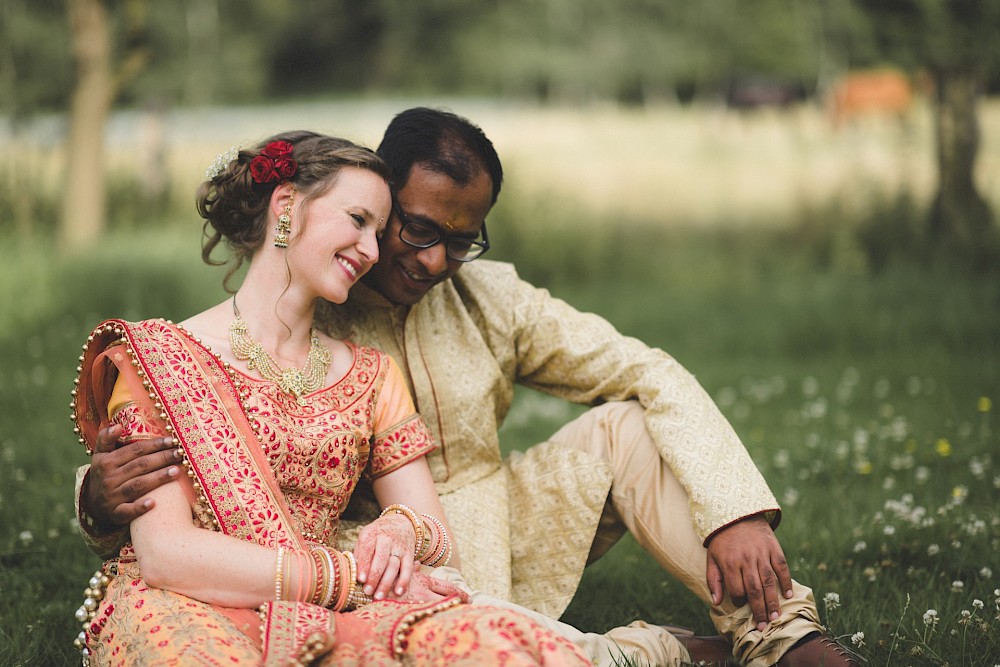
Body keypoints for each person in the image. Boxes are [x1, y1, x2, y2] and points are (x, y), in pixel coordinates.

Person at [77, 110, 858, 667]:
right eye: (414, 230)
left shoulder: (490, 297)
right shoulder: (316, 298)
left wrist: (734, 512)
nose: (433, 261)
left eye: (463, 238)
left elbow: (646, 367)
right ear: (378, 206)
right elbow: (183, 422)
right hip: (369, 561)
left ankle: (781, 635)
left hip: (496, 524)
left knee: (627, 422)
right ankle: (647, 651)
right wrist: (95, 496)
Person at [69, 131, 591, 666]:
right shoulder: (157, 358)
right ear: (287, 205)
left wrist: (401, 528)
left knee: (493, 649)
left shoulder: (372, 375)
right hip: (185, 605)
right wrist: (345, 577)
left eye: (381, 232)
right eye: (358, 220)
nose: (371, 251)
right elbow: (166, 555)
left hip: (325, 611)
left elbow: (441, 546)